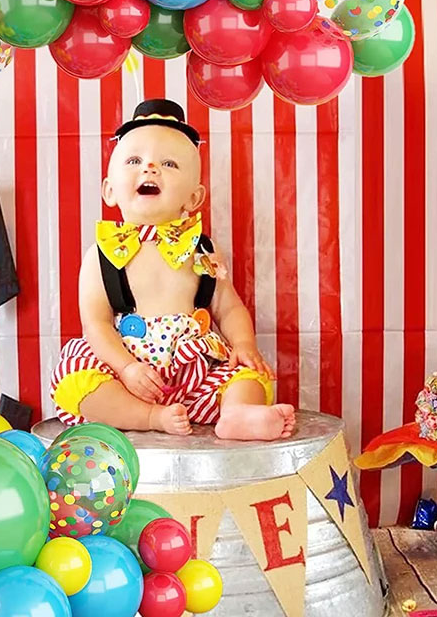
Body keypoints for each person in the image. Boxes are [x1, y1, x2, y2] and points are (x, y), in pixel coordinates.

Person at [51, 99, 296, 440]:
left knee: (250, 377)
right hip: (126, 372)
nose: (150, 168)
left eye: (168, 163)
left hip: (194, 370)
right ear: (109, 190)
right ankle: (150, 416)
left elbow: (228, 307)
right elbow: (96, 323)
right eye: (134, 161)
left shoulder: (202, 249)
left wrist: (243, 343)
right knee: (72, 378)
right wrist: (127, 367)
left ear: (194, 198)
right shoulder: (100, 255)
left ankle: (236, 413)